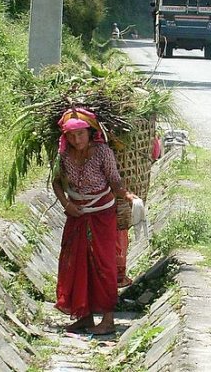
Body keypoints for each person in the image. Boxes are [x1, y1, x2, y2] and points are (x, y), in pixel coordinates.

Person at [52, 107, 136, 335]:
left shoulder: (102, 152)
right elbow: (56, 182)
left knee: (103, 263)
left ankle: (108, 319)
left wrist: (127, 195)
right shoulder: (64, 154)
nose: (75, 139)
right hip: (76, 215)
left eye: (80, 134)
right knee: (75, 261)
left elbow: (115, 182)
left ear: (90, 132)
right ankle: (84, 315)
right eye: (70, 135)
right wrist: (67, 205)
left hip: (101, 215)